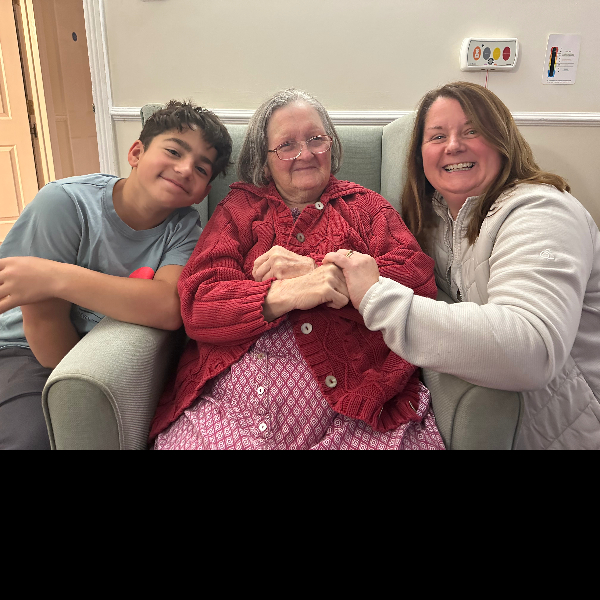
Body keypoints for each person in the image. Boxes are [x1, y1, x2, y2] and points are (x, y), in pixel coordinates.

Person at [151, 88, 445, 450]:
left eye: (316, 139)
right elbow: (199, 302)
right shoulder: (238, 210)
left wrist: (319, 272)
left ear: (331, 145)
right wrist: (284, 293)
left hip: (355, 417)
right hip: (229, 414)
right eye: (286, 145)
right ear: (264, 160)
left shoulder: (366, 207)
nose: (305, 154)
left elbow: (417, 279)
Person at [324, 81, 600, 450]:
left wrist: (375, 298)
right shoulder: (431, 219)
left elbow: (533, 350)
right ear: (420, 154)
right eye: (437, 136)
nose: (453, 145)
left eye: (472, 131)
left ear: (503, 141)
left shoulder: (542, 212)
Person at [0, 100, 233, 449]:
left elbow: (169, 307)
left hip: (90, 351)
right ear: (136, 153)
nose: (185, 169)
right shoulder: (63, 203)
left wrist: (55, 277)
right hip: (22, 347)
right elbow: (44, 330)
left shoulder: (185, 228)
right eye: (173, 151)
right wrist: (83, 389)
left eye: (202, 169)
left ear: (203, 191)